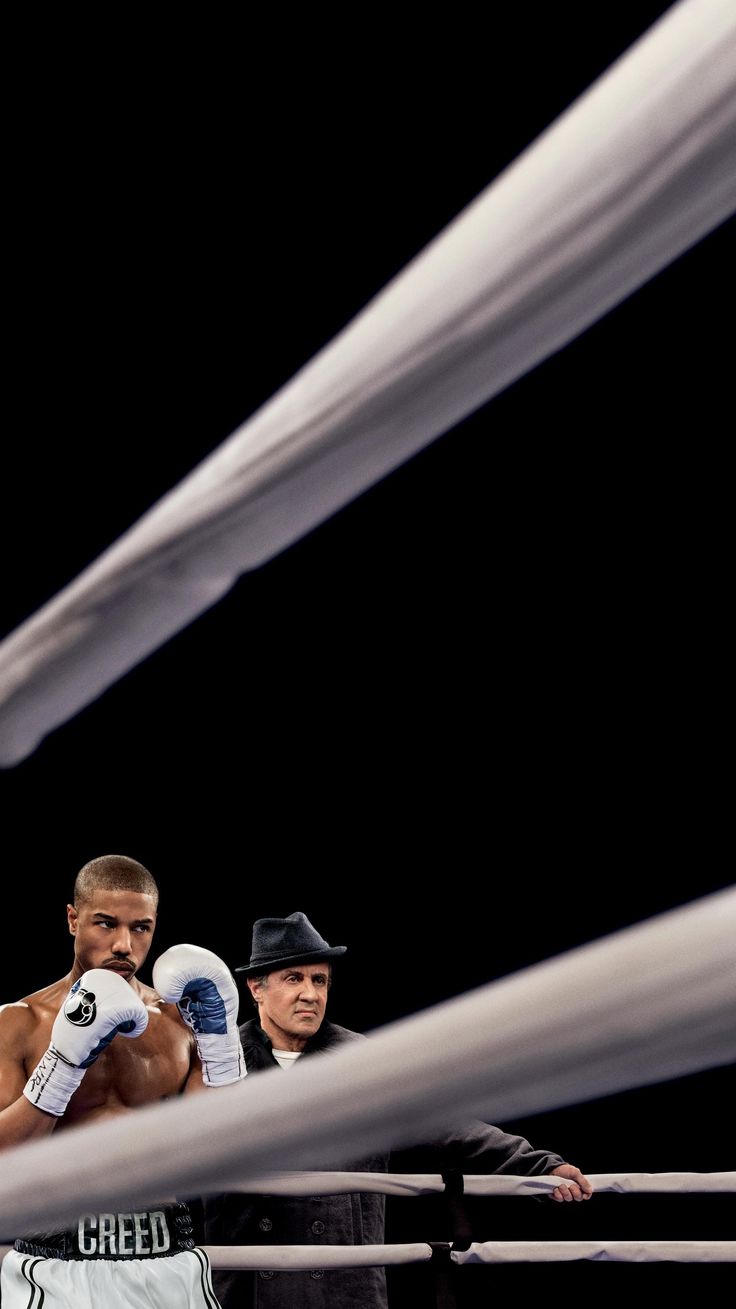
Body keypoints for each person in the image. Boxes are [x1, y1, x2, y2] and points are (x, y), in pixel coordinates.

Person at [203, 911, 593, 1309]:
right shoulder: (216, 1060)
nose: (311, 994)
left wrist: (539, 1166)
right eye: (294, 979)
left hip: (345, 1287)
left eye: (319, 980)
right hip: (246, 1286)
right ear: (256, 987)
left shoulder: (362, 1060)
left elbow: (445, 1124)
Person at [0, 853, 246, 1309]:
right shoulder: (19, 1023)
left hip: (167, 1254)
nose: (123, 945)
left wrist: (221, 1043)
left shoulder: (179, 1022)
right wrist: (62, 1065)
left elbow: (223, 1146)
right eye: (105, 924)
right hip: (57, 1261)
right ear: (73, 920)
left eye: (140, 928)